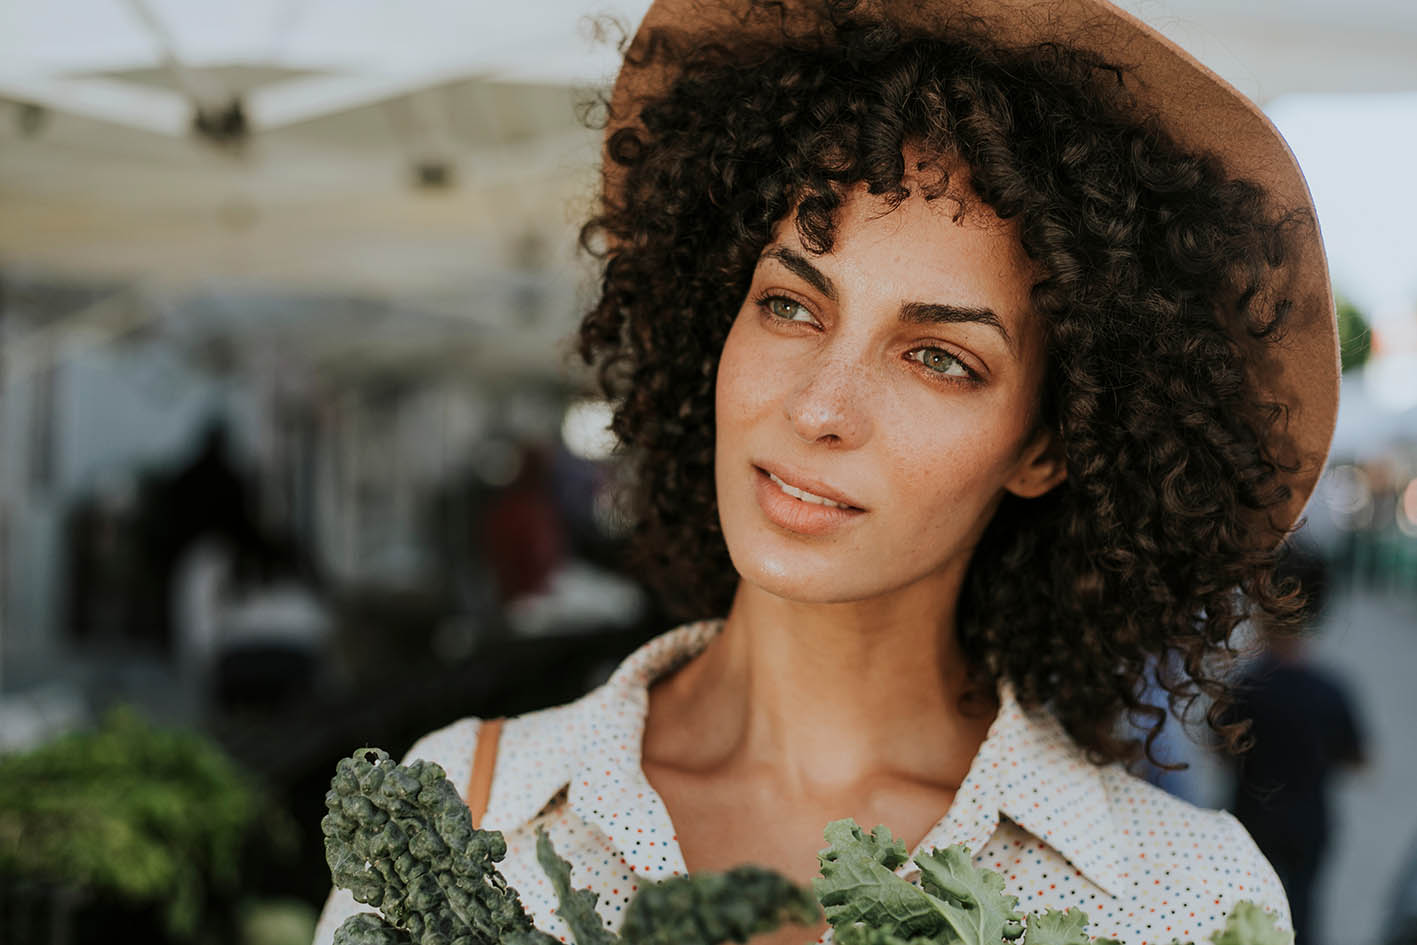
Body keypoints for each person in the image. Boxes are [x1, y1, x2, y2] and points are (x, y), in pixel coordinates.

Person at [313, 1, 1340, 942]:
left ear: (1044, 445)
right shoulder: (462, 804)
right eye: (790, 305)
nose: (817, 407)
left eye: (939, 358)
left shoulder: (1188, 900)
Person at [1222, 544, 1368, 945]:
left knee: (1248, 922)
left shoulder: (1242, 688)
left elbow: (1218, 753)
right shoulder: (1331, 691)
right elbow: (1360, 761)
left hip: (1251, 822)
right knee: (1303, 913)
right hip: (1309, 822)